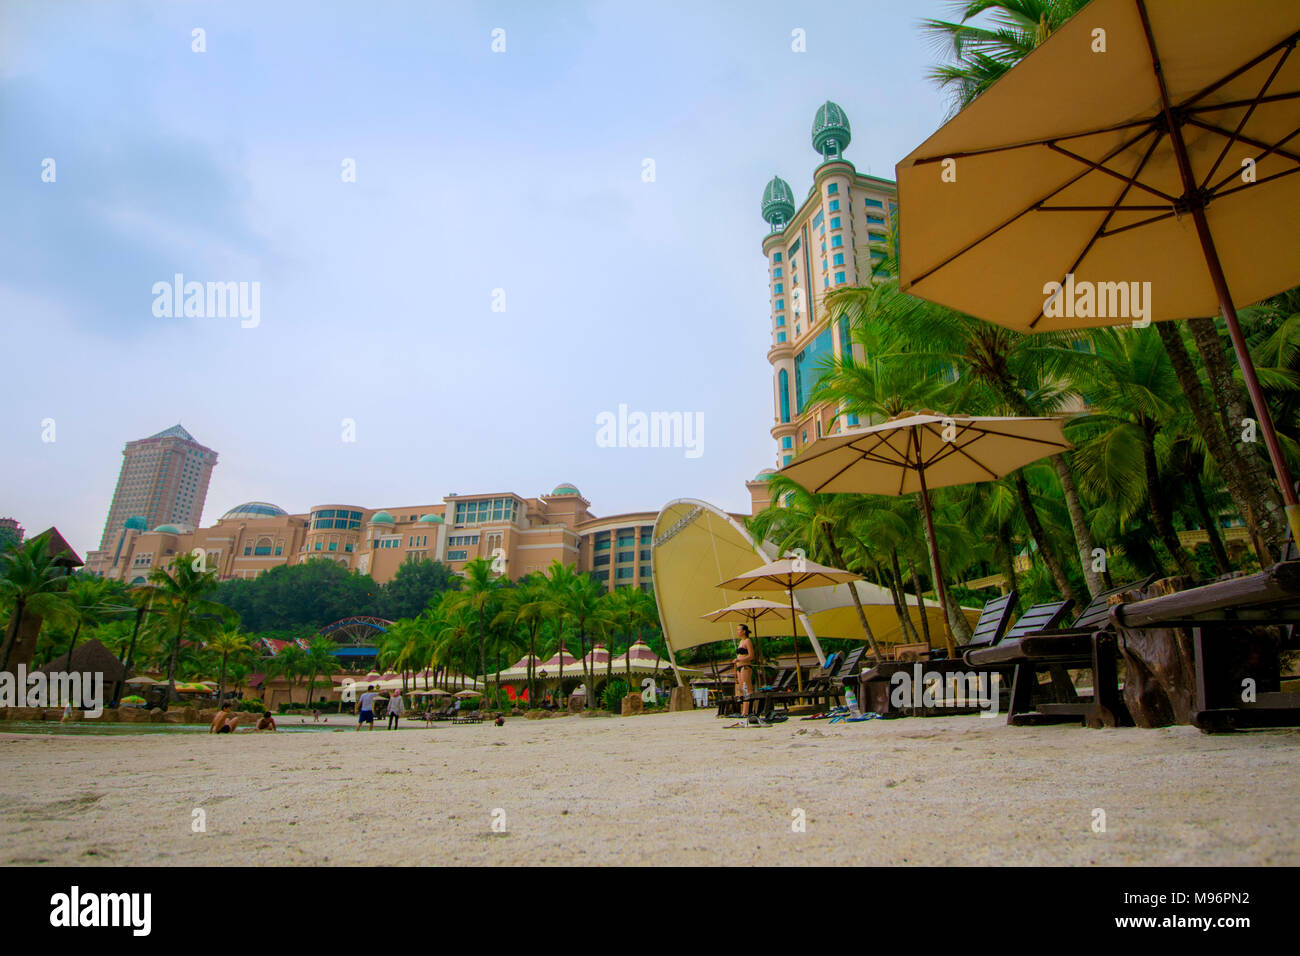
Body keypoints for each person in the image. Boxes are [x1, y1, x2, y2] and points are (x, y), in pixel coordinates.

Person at [734, 623, 758, 720]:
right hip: (739, 667)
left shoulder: (747, 641)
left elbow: (751, 656)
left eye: (739, 630)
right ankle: (744, 710)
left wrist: (740, 660)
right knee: (742, 689)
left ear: (744, 631)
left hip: (745, 666)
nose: (738, 632)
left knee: (748, 688)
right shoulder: (740, 642)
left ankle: (748, 710)